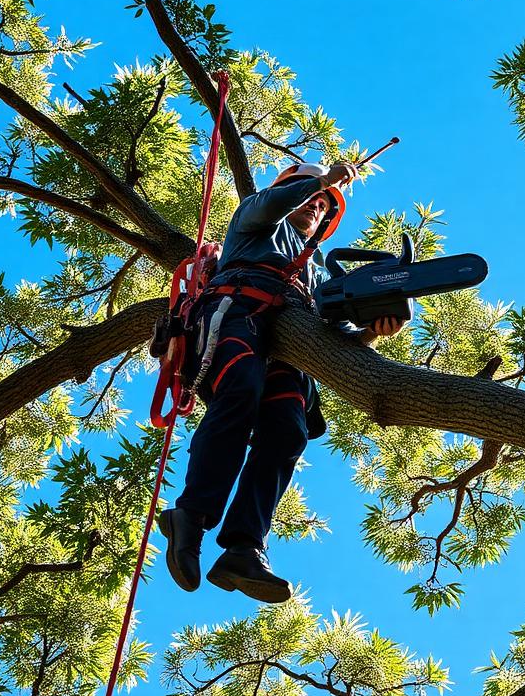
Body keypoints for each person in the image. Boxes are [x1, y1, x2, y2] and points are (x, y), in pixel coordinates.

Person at [155, 161, 405, 603]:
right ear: (292, 191)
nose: (316, 205)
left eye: (324, 204)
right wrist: (321, 181)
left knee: (288, 429)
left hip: (289, 346)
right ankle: (191, 515)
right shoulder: (255, 222)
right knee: (240, 391)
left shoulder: (316, 273)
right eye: (309, 196)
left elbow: (333, 338)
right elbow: (269, 204)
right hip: (237, 317)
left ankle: (244, 547)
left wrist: (370, 332)